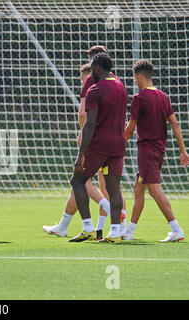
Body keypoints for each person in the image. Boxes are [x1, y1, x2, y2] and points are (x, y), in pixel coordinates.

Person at [42, 64, 111, 239]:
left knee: (80, 181)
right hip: (109, 139)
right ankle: (63, 227)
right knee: (82, 187)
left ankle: (111, 213)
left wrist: (82, 135)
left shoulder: (90, 81)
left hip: (92, 141)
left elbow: (82, 114)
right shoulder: (113, 83)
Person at [123, 59, 188, 242]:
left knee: (154, 189)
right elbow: (175, 125)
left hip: (147, 150)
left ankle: (176, 228)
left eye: (135, 78)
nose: (135, 81)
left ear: (140, 76)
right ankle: (129, 231)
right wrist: (183, 151)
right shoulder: (163, 97)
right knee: (139, 187)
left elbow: (130, 129)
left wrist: (115, 145)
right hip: (159, 149)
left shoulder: (139, 98)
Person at [69, 53, 127, 243]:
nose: (91, 72)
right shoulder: (121, 87)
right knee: (113, 188)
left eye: (92, 68)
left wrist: (81, 154)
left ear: (98, 68)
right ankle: (115, 232)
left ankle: (88, 227)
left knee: (77, 181)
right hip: (118, 144)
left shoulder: (95, 90)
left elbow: (90, 124)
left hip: (100, 144)